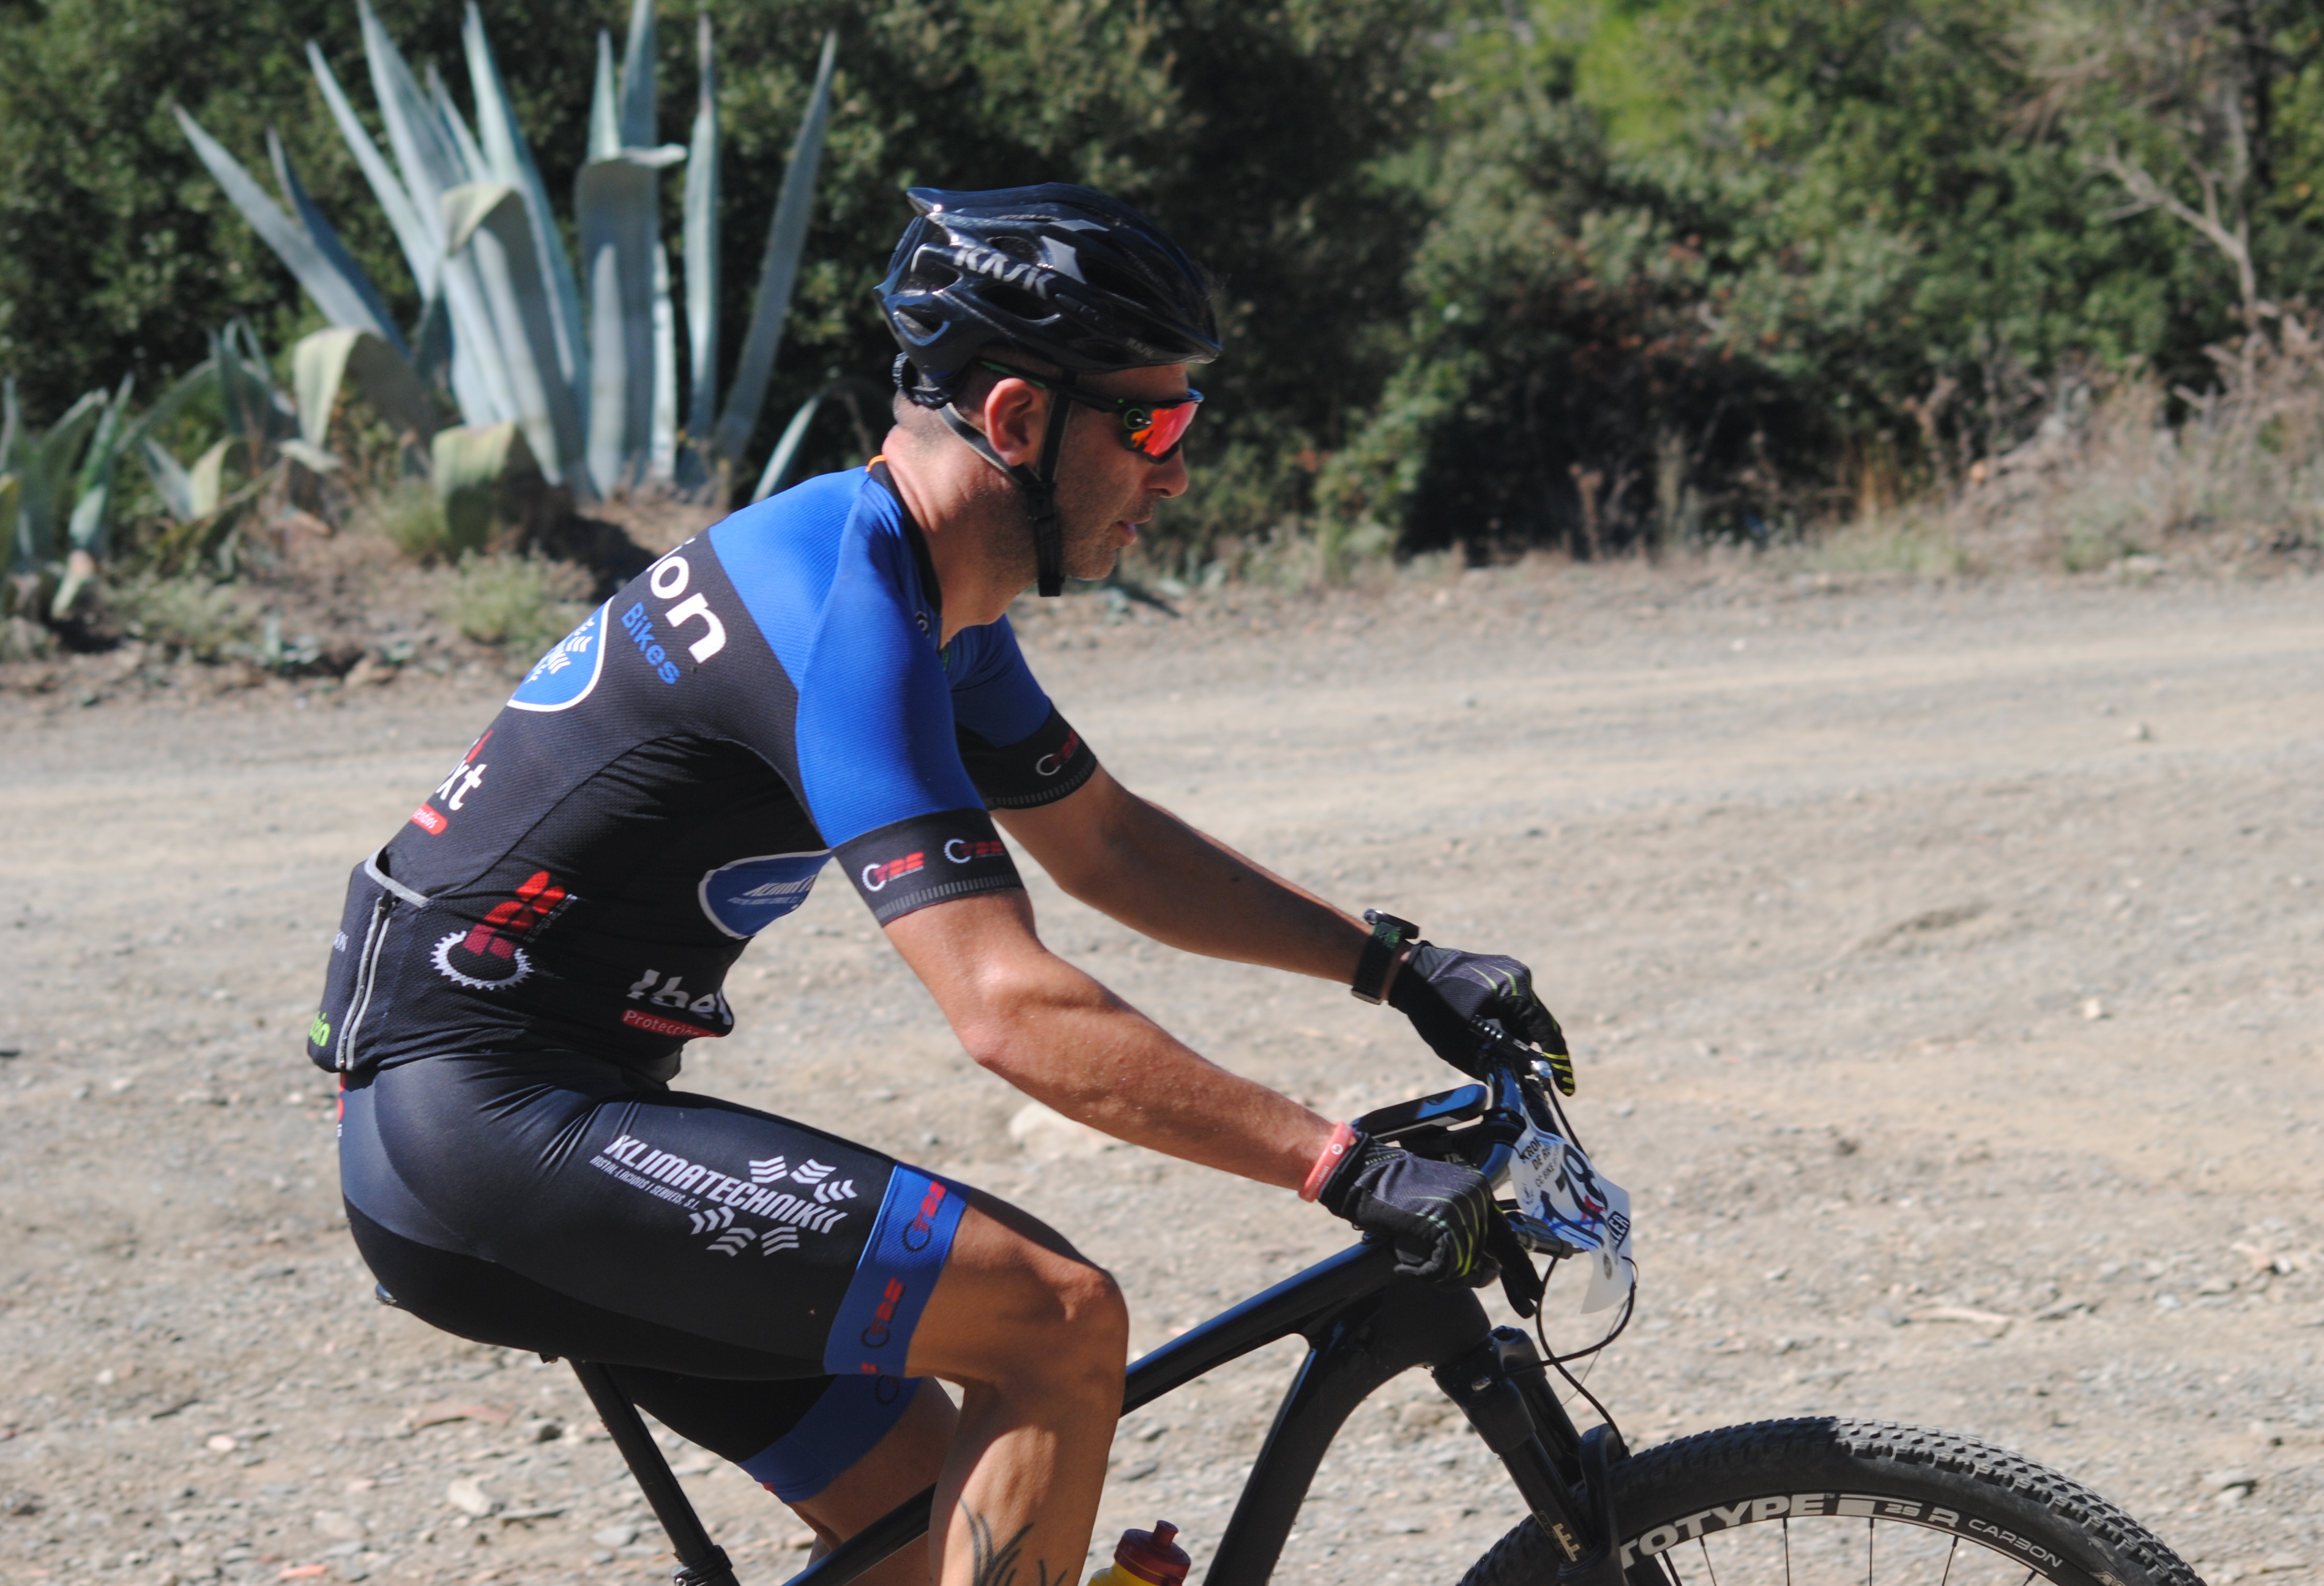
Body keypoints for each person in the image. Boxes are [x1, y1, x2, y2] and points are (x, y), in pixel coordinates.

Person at [310, 183, 1570, 1586]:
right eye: (1152, 427)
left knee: (931, 1534)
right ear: (1018, 420)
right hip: (487, 1132)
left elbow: (1107, 843)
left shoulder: (922, 592)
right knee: (1058, 1323)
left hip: (531, 1111)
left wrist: (1397, 966)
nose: (1176, 473)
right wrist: (1335, 1164)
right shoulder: (842, 612)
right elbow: (1006, 1007)